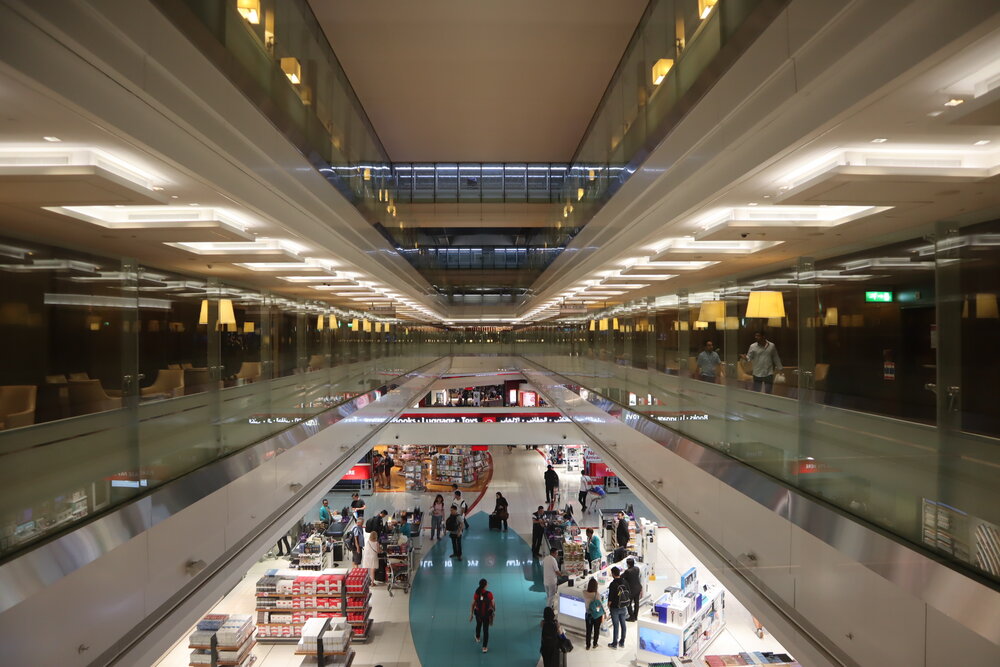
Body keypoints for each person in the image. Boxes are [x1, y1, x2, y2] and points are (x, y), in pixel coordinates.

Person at [469, 578, 495, 653]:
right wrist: (493, 612)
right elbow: (493, 604)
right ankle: (484, 647)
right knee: (486, 630)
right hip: (486, 615)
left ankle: (477, 637)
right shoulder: (490, 594)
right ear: (485, 585)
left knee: (478, 625)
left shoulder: (476, 593)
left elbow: (473, 604)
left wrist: (471, 614)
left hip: (478, 614)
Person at [607, 566, 630, 649]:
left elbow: (611, 597)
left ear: (613, 574)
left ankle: (614, 643)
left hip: (615, 608)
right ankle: (622, 642)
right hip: (624, 606)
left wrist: (609, 605)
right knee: (623, 624)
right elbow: (629, 593)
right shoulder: (625, 582)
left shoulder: (613, 584)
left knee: (616, 626)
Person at [582, 577, 605, 650]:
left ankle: (588, 645)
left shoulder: (584, 593)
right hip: (596, 616)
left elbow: (584, 589)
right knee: (596, 630)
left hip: (588, 615)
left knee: (588, 631)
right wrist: (597, 611)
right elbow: (599, 605)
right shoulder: (596, 594)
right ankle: (595, 644)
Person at [623, 557, 643, 621]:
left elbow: (621, 577)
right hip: (638, 588)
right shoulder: (637, 568)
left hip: (631, 590)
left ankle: (631, 617)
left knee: (628, 604)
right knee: (636, 603)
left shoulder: (627, 571)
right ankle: (635, 616)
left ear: (628, 564)